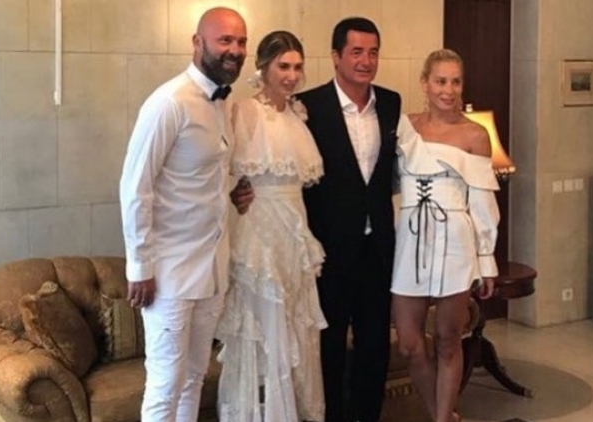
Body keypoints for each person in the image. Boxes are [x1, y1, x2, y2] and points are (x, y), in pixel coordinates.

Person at [119, 7, 247, 422]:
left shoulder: (224, 103)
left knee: (195, 377)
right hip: (170, 272)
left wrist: (234, 189)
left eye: (241, 41)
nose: (235, 50)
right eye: (225, 40)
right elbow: (135, 186)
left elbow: (203, 176)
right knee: (166, 383)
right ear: (197, 42)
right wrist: (140, 266)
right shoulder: (169, 102)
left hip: (213, 268)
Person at [215, 31, 327, 422]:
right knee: (265, 328)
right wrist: (234, 191)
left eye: (297, 67)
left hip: (294, 231)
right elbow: (221, 167)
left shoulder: (298, 115)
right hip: (259, 232)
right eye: (283, 66)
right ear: (263, 67)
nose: (292, 75)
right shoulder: (245, 110)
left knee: (296, 325)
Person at [296, 17, 402, 422]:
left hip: (378, 248)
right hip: (329, 249)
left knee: (375, 344)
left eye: (373, 52)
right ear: (336, 56)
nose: (366, 61)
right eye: (356, 52)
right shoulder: (308, 107)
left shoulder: (390, 103)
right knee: (330, 344)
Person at [391, 48, 499, 422]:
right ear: (425, 83)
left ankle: (441, 419)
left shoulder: (475, 134)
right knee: (409, 343)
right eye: (440, 81)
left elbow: (483, 203)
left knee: (448, 341)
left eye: (455, 82)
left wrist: (486, 260)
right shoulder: (403, 127)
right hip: (410, 238)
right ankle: (444, 414)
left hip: (455, 240)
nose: (448, 90)